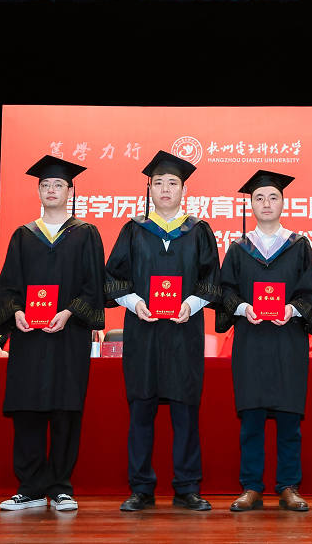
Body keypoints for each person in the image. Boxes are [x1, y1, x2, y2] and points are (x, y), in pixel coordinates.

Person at [105, 151, 222, 512]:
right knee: (141, 411)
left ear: (184, 190)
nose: (166, 188)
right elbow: (113, 277)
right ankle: (141, 487)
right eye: (158, 183)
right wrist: (134, 302)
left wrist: (192, 304)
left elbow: (212, 279)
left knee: (185, 413)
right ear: (150, 189)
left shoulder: (199, 230)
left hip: (184, 333)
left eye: (173, 183)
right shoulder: (134, 229)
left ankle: (187, 487)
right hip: (144, 332)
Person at [0, 155, 106, 512]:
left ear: (70, 191)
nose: (51, 189)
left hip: (68, 335)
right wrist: (17, 312)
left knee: (65, 410)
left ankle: (60, 487)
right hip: (29, 336)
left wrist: (69, 312)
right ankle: (29, 488)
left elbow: (94, 286)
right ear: (39, 191)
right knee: (27, 409)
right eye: (45, 185)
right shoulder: (23, 235)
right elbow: (8, 286)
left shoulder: (85, 234)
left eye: (58, 185)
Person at [217, 170, 312, 512]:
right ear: (251, 204)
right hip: (251, 342)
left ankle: (288, 486)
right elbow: (225, 291)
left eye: (273, 197)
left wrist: (292, 309)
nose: (266, 203)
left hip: (288, 341)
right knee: (251, 421)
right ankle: (251, 487)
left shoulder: (299, 246)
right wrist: (243, 307)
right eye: (259, 198)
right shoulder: (239, 249)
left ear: (283, 203)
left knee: (290, 422)